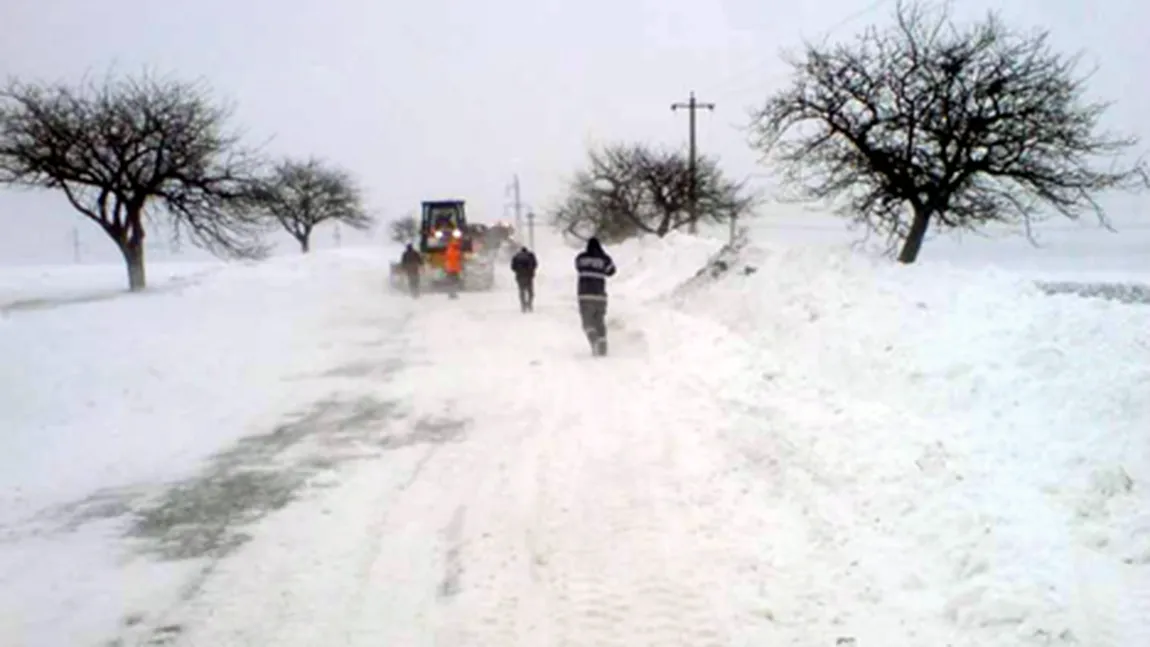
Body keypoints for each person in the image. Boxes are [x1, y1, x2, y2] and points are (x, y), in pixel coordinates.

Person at [574, 237, 616, 356]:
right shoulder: (604, 259)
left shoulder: (581, 258)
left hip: (584, 295)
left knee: (587, 322)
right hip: (600, 296)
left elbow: (577, 267)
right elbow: (611, 271)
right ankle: (602, 346)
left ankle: (594, 340)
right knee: (599, 321)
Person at [510, 246, 538, 312]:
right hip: (529, 276)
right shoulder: (530, 256)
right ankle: (529, 304)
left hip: (520, 276)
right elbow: (535, 264)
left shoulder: (516, 257)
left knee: (522, 291)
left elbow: (513, 267)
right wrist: (531, 271)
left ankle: (523, 305)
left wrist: (518, 271)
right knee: (530, 292)